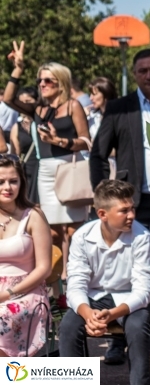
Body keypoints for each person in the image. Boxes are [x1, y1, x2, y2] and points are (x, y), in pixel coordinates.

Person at [89, 49, 150, 363]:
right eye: (142, 71)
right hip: (132, 201)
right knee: (122, 268)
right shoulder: (120, 108)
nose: (149, 75)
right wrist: (102, 195)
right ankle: (116, 336)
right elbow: (98, 154)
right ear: (135, 74)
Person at [59, 180, 150, 385]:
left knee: (137, 328)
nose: (132, 215)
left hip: (130, 299)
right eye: (124, 211)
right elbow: (76, 284)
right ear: (102, 214)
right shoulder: (82, 237)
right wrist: (88, 314)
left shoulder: (142, 237)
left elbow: (143, 291)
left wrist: (113, 314)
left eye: (132, 209)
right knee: (68, 327)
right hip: (94, 298)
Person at [3, 41, 90, 271]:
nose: (42, 84)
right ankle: (56, 283)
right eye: (40, 80)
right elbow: (9, 98)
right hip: (46, 171)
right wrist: (18, 69)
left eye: (47, 80)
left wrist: (59, 141)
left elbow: (86, 141)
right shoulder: (39, 109)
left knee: (74, 232)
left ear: (60, 83)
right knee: (50, 231)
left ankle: (75, 277)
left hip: (69, 168)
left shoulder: (73, 106)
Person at [0, 155, 51, 357]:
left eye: (13, 181)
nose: (7, 187)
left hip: (26, 291)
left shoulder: (33, 216)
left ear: (22, 182)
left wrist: (8, 293)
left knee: (1, 318)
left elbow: (44, 268)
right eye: (1, 182)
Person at [9, 87, 37, 203]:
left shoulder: (44, 123)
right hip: (27, 172)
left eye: (28, 101)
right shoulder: (17, 127)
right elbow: (14, 153)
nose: (24, 106)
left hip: (43, 169)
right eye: (21, 103)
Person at [86, 77, 117, 141]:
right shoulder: (92, 117)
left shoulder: (119, 117)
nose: (90, 98)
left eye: (94, 94)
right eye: (90, 94)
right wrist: (82, 118)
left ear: (106, 94)